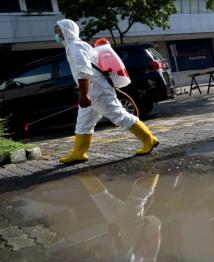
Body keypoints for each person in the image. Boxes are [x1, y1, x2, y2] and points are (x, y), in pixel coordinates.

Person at [54, 19, 159, 164]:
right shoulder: (73, 46)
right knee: (84, 122)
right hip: (94, 90)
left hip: (98, 91)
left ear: (66, 31)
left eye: (58, 31)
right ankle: (79, 153)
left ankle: (149, 139)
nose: (56, 35)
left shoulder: (76, 46)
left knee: (119, 115)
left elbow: (84, 72)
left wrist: (83, 95)